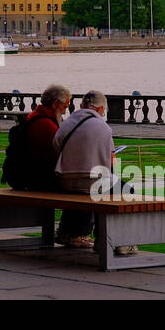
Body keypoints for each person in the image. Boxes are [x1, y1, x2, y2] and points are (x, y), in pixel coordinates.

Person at [54, 89, 136, 255]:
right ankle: (115, 241)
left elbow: (56, 146)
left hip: (64, 180)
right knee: (126, 190)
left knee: (82, 191)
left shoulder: (67, 122)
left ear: (81, 105)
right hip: (91, 183)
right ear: (100, 109)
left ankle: (67, 232)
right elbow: (110, 160)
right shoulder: (102, 127)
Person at [22, 85, 74, 239]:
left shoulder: (35, 117)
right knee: (84, 186)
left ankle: (70, 232)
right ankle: (71, 233)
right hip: (41, 179)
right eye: (65, 106)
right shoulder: (45, 124)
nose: (66, 110)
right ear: (56, 104)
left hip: (34, 175)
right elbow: (62, 152)